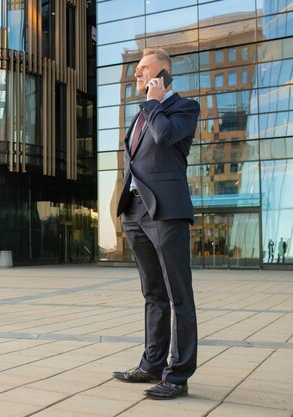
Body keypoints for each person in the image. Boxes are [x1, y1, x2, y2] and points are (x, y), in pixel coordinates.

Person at [113, 48, 200, 400]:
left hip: (165, 210)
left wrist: (153, 101)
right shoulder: (138, 116)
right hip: (135, 210)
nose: (136, 74)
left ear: (162, 73)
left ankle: (178, 375)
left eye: (143, 69)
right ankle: (151, 363)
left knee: (179, 295)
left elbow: (165, 137)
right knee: (153, 294)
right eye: (135, 70)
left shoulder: (183, 107)